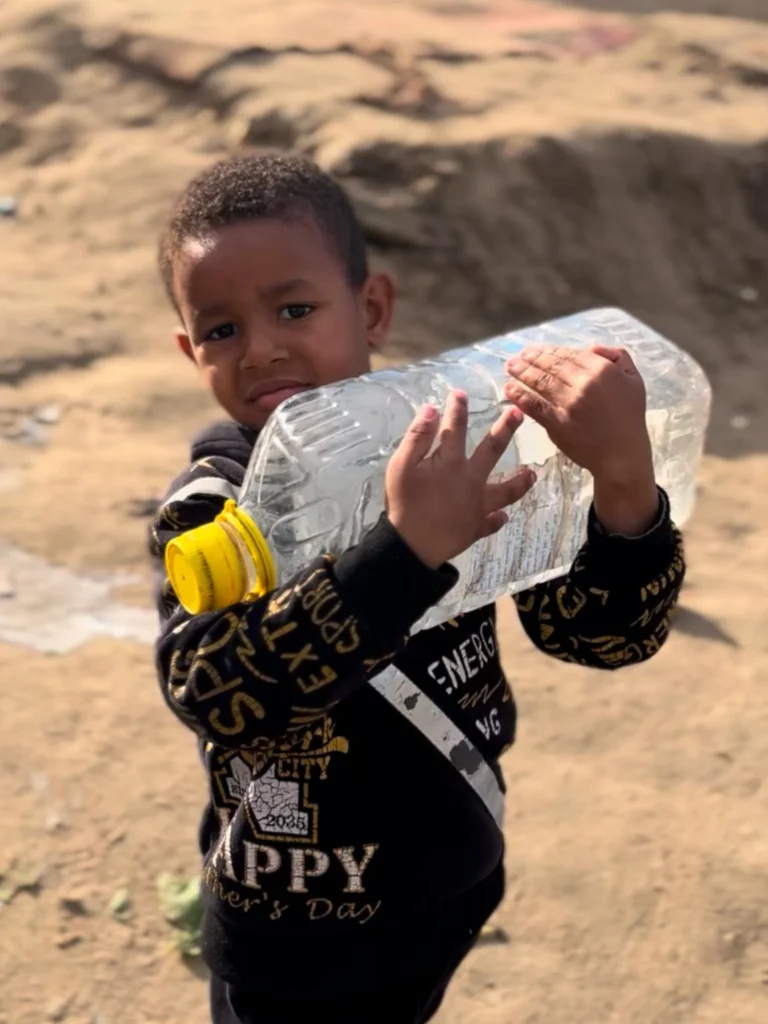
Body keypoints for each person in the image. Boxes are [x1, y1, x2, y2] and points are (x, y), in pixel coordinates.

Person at [149, 154, 685, 1024]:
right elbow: (211, 691)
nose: (262, 347)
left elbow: (598, 637)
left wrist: (623, 488)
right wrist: (403, 555)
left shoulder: (461, 445)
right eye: (221, 329)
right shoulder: (215, 505)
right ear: (189, 349)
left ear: (371, 309)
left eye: (295, 309)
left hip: (445, 880)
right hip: (291, 917)